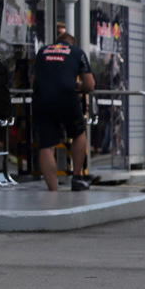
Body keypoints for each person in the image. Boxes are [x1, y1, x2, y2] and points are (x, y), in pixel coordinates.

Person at [31, 32, 94, 191]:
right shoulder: (77, 52)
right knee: (78, 133)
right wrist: (79, 87)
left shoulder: (42, 51)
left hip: (42, 99)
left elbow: (33, 81)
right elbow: (90, 85)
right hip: (66, 98)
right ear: (71, 43)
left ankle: (53, 189)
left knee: (46, 145)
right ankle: (77, 177)